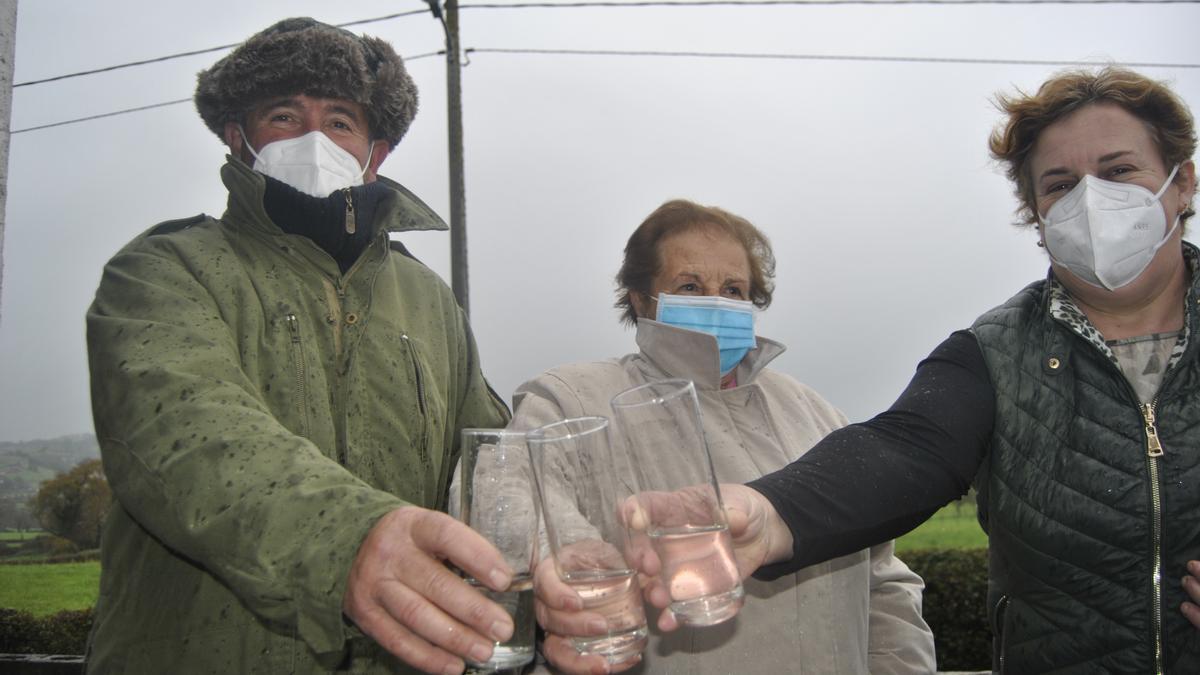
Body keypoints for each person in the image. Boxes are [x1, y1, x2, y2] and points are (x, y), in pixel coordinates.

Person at [586, 67, 1200, 673]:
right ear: (1037, 218)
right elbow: (904, 448)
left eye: (1119, 171)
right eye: (1060, 185)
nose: (1092, 201)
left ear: (1182, 184)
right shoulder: (992, 352)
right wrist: (771, 512)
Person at [85, 18, 515, 674]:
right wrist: (348, 539)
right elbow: (193, 439)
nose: (314, 138)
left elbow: (489, 467)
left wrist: (565, 541)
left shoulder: (430, 300)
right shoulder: (160, 271)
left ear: (376, 152)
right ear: (239, 139)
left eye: (341, 120)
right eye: (284, 115)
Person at [518, 200, 937, 674]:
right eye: (691, 286)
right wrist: (575, 563)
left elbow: (883, 580)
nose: (716, 302)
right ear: (640, 298)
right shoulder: (572, 399)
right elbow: (517, 495)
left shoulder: (820, 415)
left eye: (734, 289)